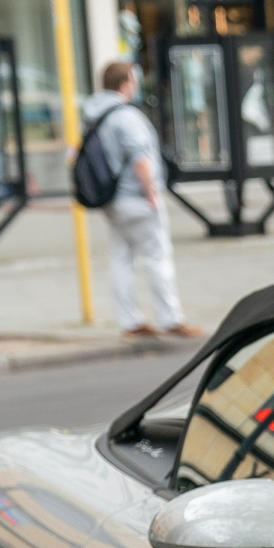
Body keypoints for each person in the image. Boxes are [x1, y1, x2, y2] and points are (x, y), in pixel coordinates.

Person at [79, 61, 202, 340]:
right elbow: (140, 159)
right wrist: (152, 195)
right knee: (157, 257)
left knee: (121, 259)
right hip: (136, 198)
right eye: (133, 82)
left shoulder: (93, 113)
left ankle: (129, 321)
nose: (135, 87)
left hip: (112, 200)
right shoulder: (126, 116)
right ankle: (171, 318)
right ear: (125, 84)